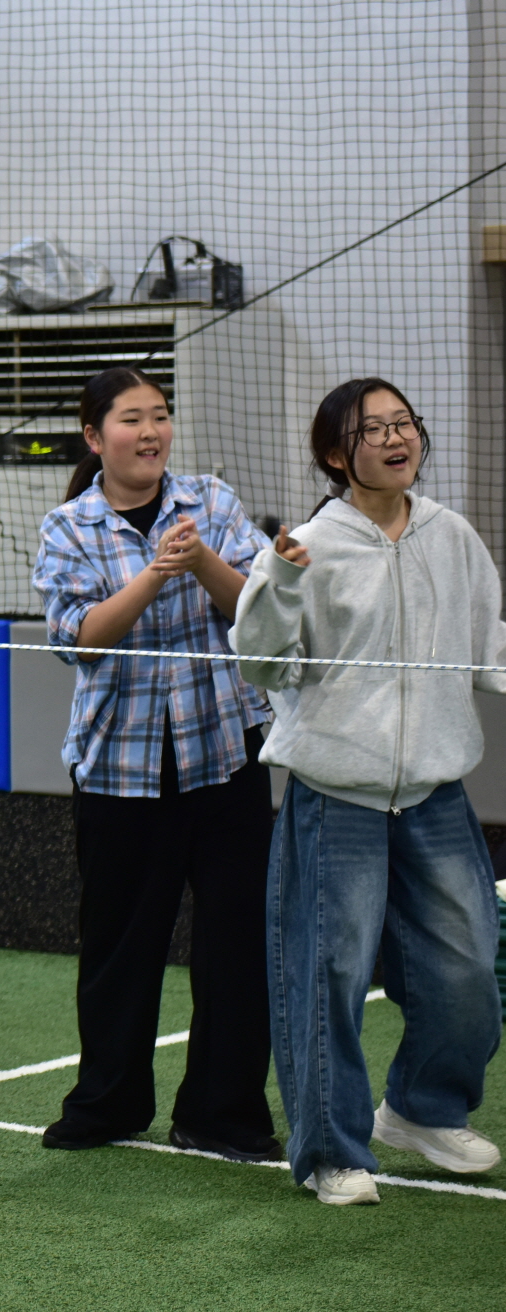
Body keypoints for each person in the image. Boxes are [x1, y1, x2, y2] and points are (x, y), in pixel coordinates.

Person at [234, 377, 505, 1205]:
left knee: (470, 970)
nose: (396, 439)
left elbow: (488, 643)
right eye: (373, 429)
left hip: (435, 794)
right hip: (335, 795)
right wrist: (281, 583)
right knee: (328, 975)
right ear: (334, 454)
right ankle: (332, 1153)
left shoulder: (453, 536)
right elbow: (262, 664)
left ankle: (422, 1108)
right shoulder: (305, 547)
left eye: (404, 424)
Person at [30, 367, 280, 1163]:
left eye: (161, 416)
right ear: (94, 435)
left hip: (226, 759)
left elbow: (259, 613)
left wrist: (201, 560)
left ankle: (223, 1115)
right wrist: (154, 574)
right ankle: (107, 1106)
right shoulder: (69, 526)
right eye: (132, 418)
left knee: (237, 946)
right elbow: (80, 641)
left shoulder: (211, 500)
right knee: (120, 949)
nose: (151, 432)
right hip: (120, 770)